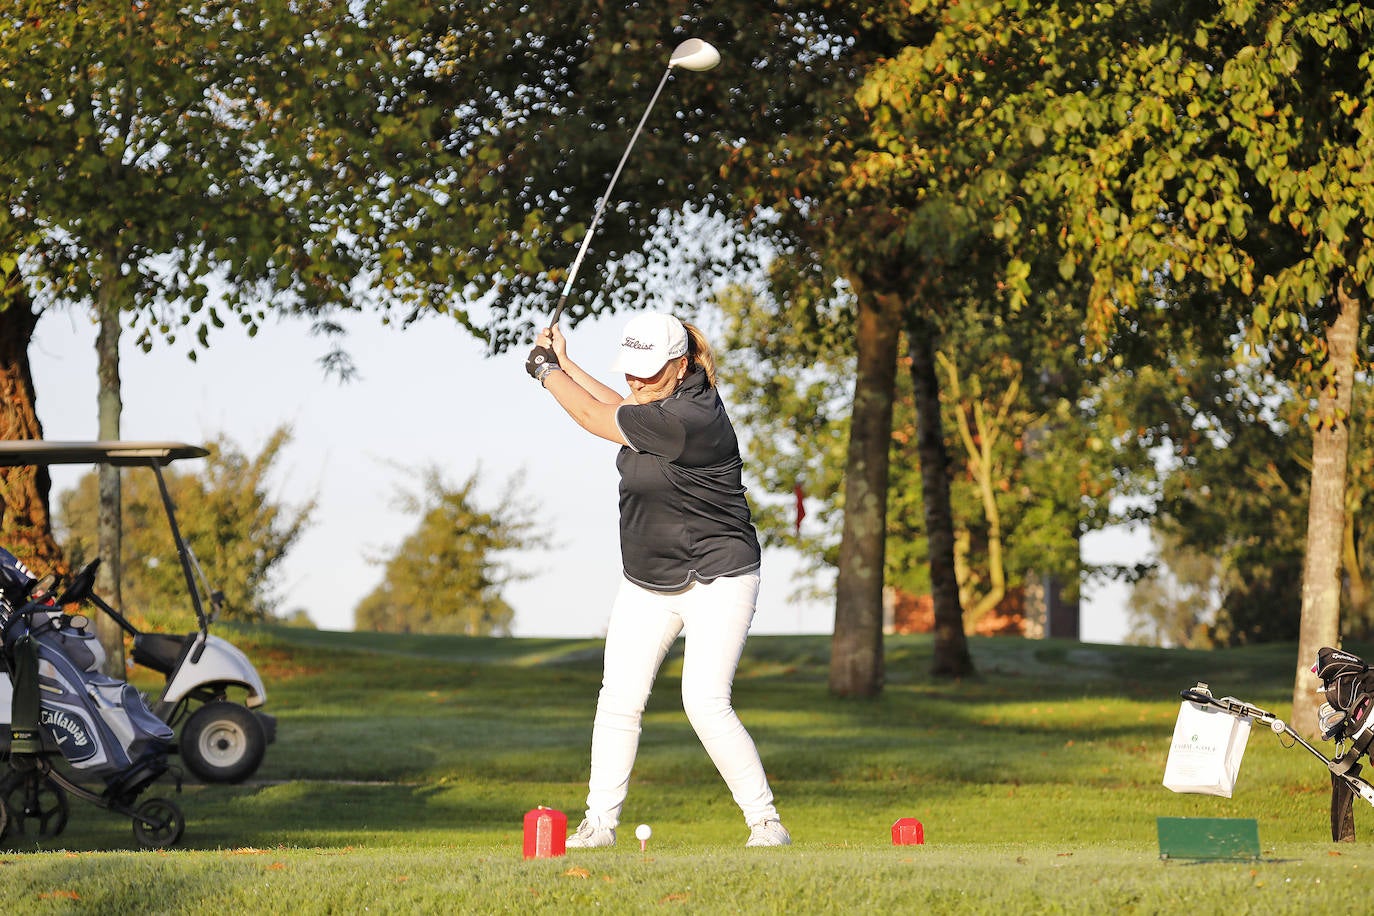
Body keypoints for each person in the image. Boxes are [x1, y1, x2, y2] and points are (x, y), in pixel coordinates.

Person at [525, 311, 791, 849]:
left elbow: (595, 418)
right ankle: (599, 824)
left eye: (649, 371)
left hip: (719, 574)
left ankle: (766, 823)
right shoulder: (657, 400)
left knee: (704, 700)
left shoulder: (691, 419)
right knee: (618, 698)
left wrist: (545, 372)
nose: (637, 380)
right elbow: (617, 406)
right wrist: (566, 362)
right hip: (649, 577)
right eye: (632, 370)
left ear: (682, 363)